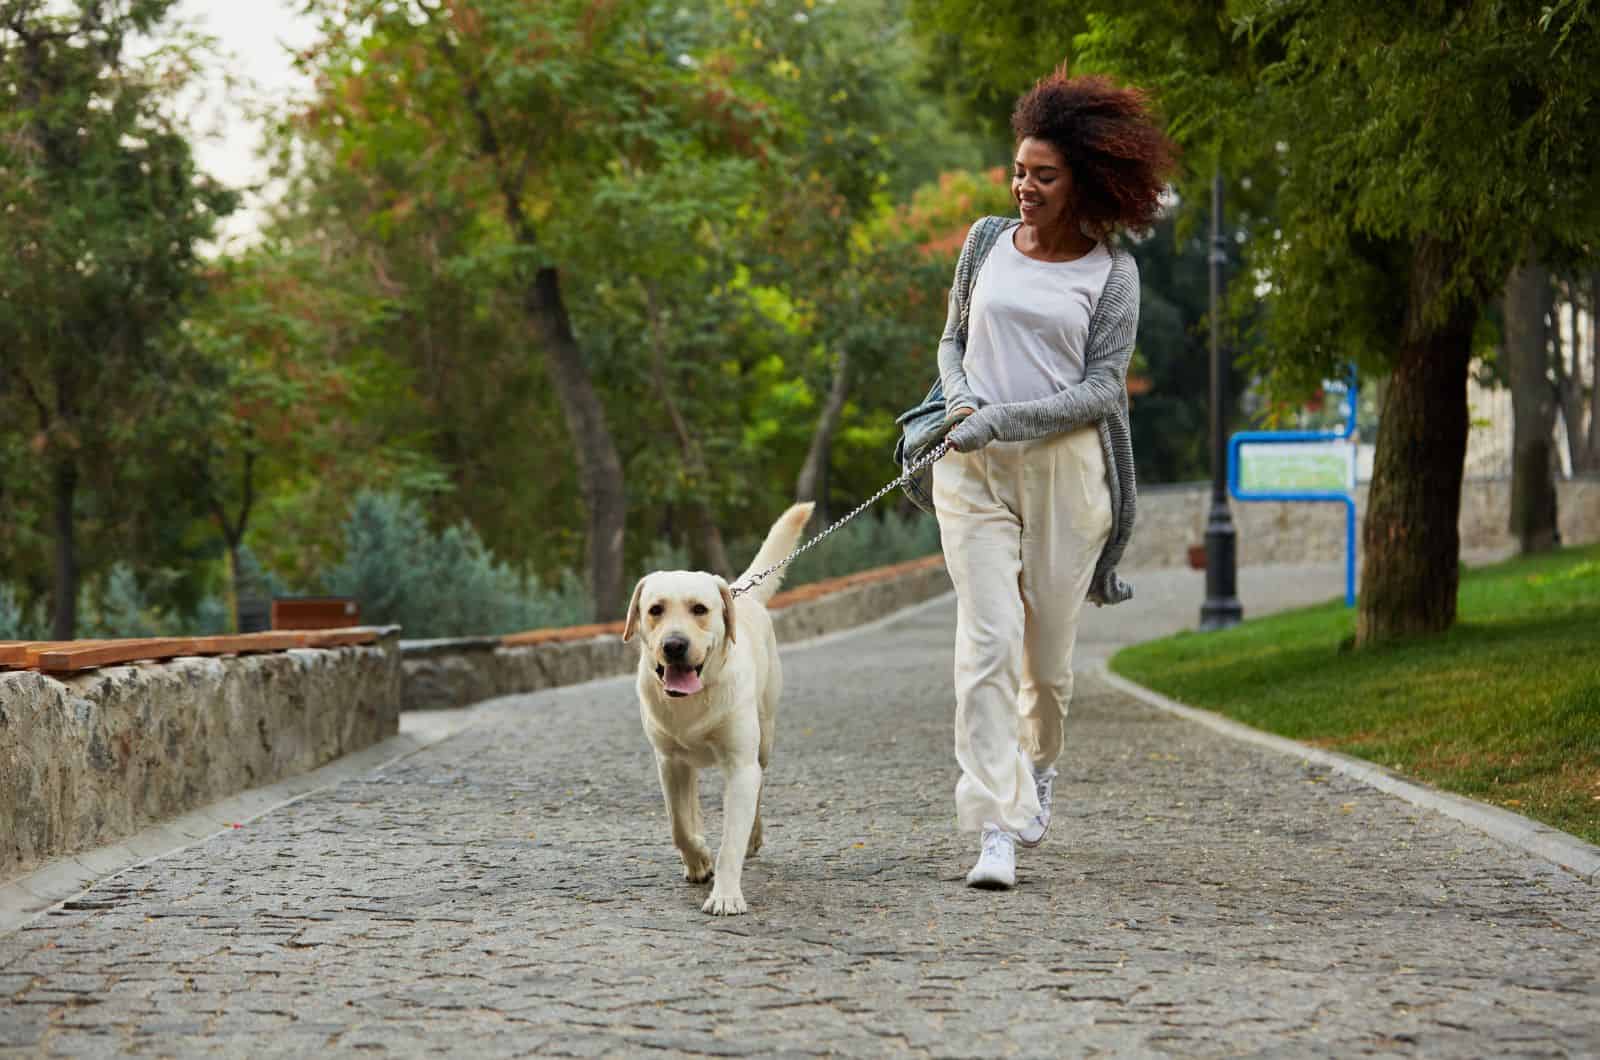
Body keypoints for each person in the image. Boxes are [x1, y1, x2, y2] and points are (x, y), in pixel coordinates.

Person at [933, 70, 1177, 889]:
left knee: (1047, 663)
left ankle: (1039, 767)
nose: (1024, 187)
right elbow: (950, 343)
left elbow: (1104, 388)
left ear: (1085, 183)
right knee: (988, 644)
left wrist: (1008, 416)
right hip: (972, 468)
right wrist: (965, 400)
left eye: (1044, 176)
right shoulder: (984, 242)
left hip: (1067, 475)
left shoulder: (1111, 275)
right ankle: (993, 826)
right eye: (1018, 171)